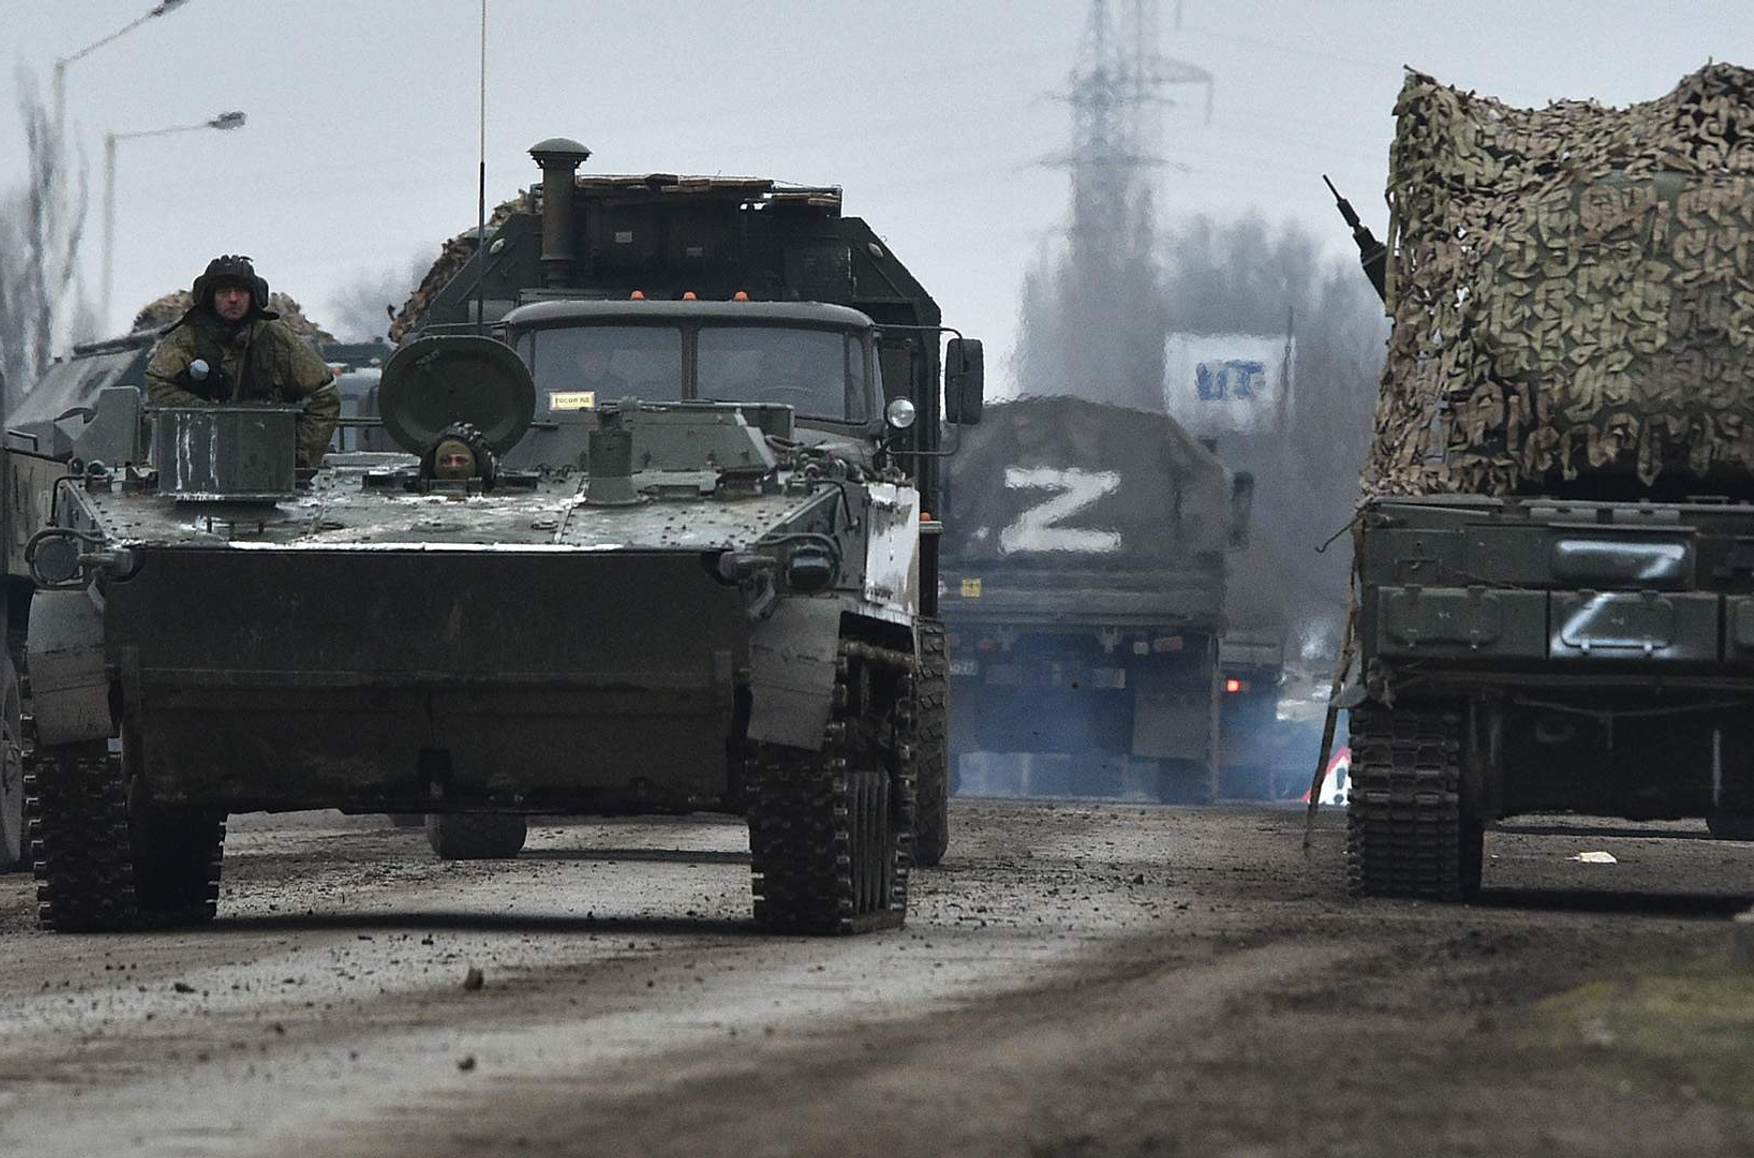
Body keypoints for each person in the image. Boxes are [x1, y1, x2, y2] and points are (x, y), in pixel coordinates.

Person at [145, 255, 341, 468]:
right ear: (210, 297)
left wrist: (299, 456)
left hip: (267, 463)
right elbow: (158, 384)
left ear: (254, 295)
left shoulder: (276, 339)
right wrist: (207, 413)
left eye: (241, 291)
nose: (233, 299)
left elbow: (324, 393)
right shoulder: (187, 338)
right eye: (223, 292)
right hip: (199, 461)